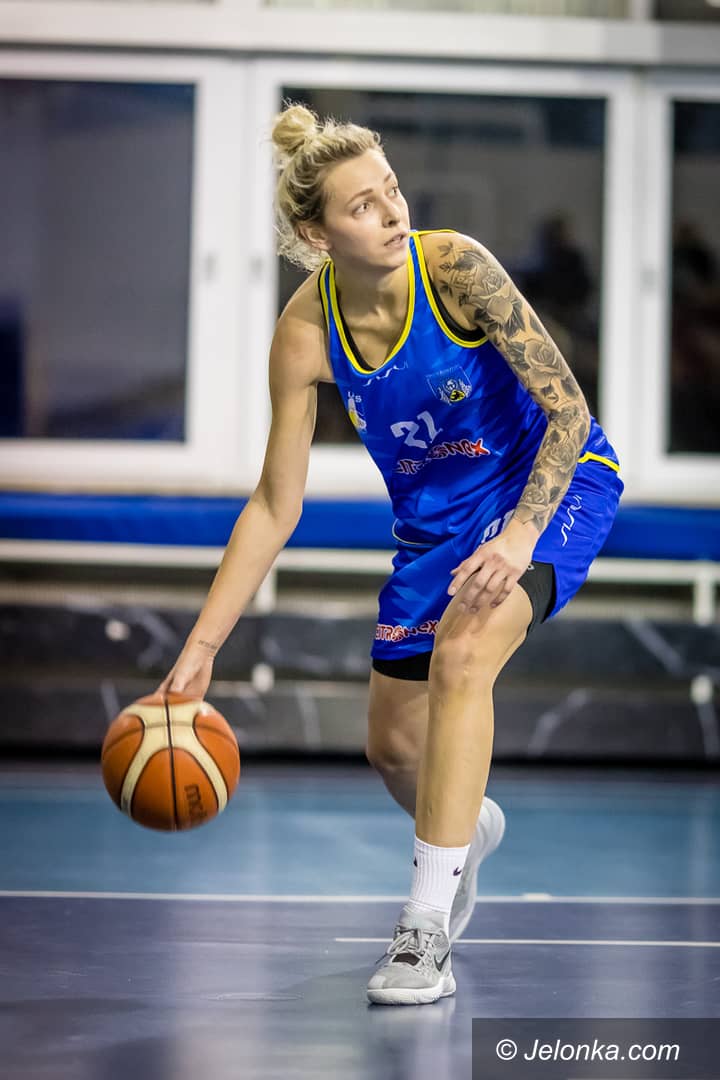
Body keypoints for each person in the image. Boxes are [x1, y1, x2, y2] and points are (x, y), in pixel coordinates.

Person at [159, 103, 624, 1007]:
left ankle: (422, 935)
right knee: (392, 750)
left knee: (463, 654)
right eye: (363, 205)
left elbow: (569, 408)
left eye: (392, 190)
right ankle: (464, 831)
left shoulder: (456, 269)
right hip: (436, 523)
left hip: (554, 485)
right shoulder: (306, 334)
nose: (392, 211)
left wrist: (520, 536)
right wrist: (203, 646)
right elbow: (274, 504)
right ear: (317, 234)